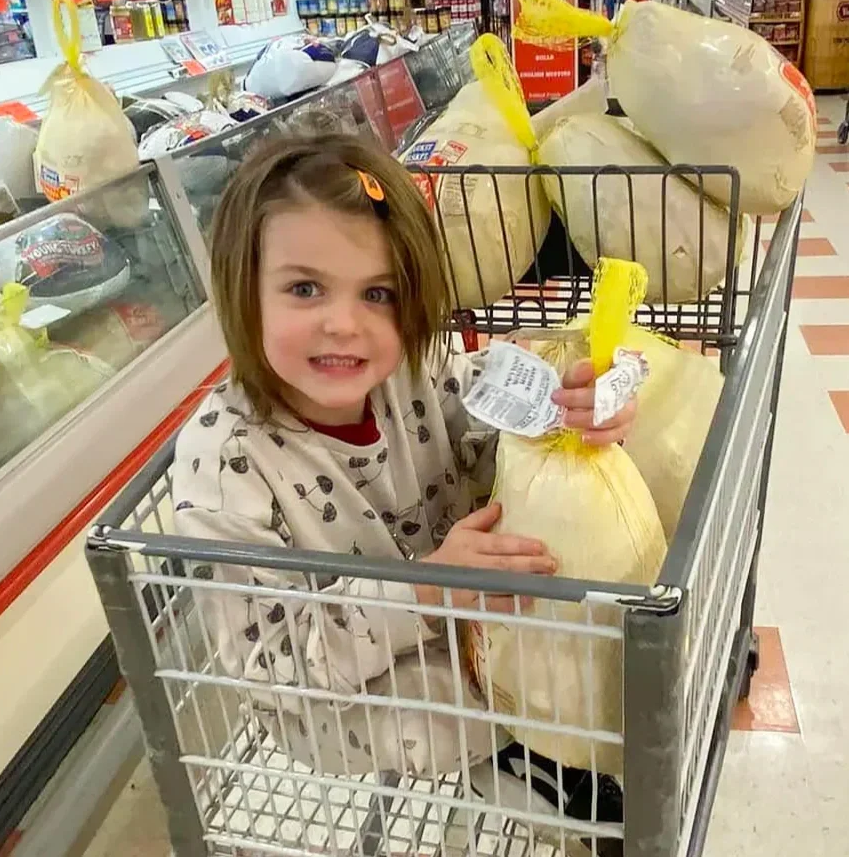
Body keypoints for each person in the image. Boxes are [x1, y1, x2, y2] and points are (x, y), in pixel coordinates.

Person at [171, 133, 635, 854]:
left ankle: (544, 739)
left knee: (567, 594)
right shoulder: (225, 458)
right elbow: (274, 664)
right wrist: (425, 594)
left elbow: (495, 436)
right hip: (336, 697)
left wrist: (575, 408)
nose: (343, 323)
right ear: (240, 288)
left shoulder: (412, 375)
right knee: (465, 705)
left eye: (378, 294)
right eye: (303, 288)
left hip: (457, 612)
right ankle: (522, 762)